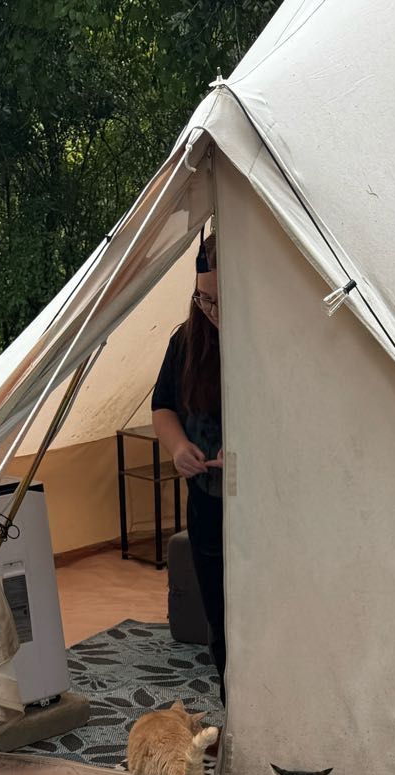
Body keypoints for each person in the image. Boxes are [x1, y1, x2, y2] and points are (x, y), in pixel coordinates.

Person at [150, 230, 225, 702]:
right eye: (203, 299)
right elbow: (164, 407)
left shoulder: (273, 340)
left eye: (221, 301)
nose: (210, 311)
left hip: (269, 512)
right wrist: (179, 448)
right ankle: (233, 708)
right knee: (220, 617)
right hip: (208, 506)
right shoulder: (187, 338)